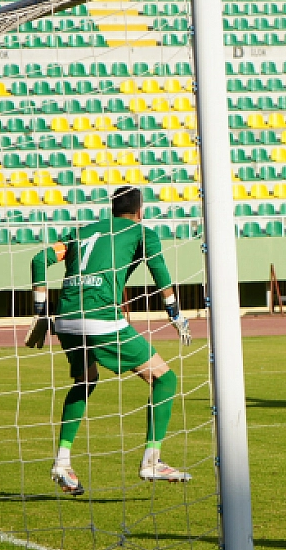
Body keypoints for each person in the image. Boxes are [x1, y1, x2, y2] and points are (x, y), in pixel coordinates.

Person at [30, 185, 194, 496]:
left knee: (85, 380)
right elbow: (159, 271)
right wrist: (176, 314)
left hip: (65, 318)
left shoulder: (82, 233)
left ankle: (62, 462)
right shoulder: (142, 233)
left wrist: (40, 313)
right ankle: (152, 460)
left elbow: (40, 259)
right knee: (165, 378)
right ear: (140, 210)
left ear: (112, 209)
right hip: (100, 317)